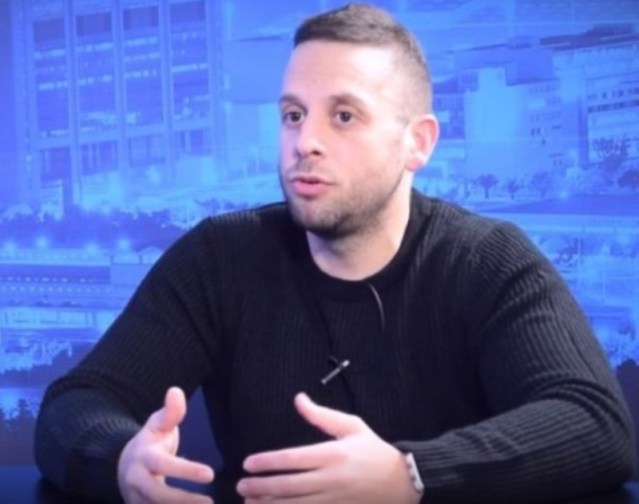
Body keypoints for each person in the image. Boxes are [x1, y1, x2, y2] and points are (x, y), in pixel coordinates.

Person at [35, 3, 636, 503]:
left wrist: (412, 476)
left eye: (343, 116)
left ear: (417, 143)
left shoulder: (487, 260)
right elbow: (76, 403)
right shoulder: (219, 258)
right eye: (293, 115)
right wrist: (122, 461)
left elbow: (595, 422)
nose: (306, 142)